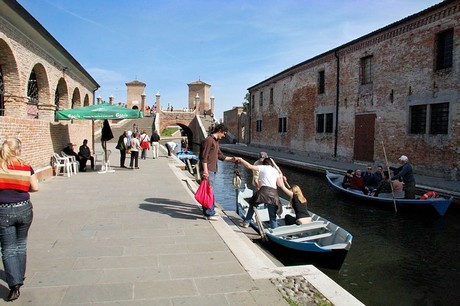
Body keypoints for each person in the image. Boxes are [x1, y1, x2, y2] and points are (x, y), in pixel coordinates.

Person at [0, 138, 39, 301]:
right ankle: (19, 277)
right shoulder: (25, 167)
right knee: (21, 245)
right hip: (24, 208)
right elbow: (35, 187)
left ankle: (14, 284)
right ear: (18, 150)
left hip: (3, 211)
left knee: (8, 248)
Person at [199, 123, 235, 221]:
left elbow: (220, 156)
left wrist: (232, 159)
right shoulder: (209, 140)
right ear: (220, 131)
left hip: (213, 169)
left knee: (210, 190)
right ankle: (208, 214)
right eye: (224, 134)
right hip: (208, 169)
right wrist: (205, 171)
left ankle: (211, 210)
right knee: (208, 191)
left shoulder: (216, 142)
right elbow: (204, 157)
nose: (224, 136)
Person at [238, 157, 282, 229]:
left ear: (264, 164)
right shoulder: (276, 171)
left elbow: (249, 166)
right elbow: (280, 185)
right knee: (272, 215)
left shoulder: (263, 167)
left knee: (252, 204)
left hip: (263, 192)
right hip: (274, 194)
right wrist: (280, 176)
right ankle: (275, 230)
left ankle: (246, 222)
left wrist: (241, 160)